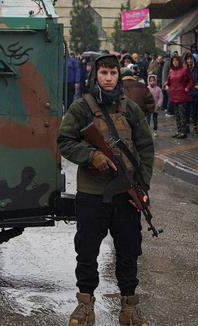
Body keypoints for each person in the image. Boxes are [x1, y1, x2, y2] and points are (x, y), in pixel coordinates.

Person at [58, 53, 154, 326]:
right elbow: (64, 141)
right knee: (87, 249)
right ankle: (85, 306)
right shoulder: (81, 108)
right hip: (92, 193)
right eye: (104, 74)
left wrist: (142, 187)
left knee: (128, 249)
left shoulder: (130, 109)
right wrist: (92, 156)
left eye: (113, 73)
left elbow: (146, 149)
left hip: (125, 192)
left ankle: (129, 308)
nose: (109, 79)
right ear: (95, 76)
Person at [165, 54, 193, 139]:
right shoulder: (171, 71)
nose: (175, 62)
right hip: (174, 95)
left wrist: (187, 88)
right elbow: (168, 81)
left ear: (179, 61)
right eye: (173, 61)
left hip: (182, 95)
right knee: (176, 114)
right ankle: (179, 130)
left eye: (176, 60)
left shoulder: (184, 70)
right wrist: (166, 85)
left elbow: (191, 80)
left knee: (182, 114)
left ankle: (183, 132)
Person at [184, 56, 198, 134]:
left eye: (191, 59)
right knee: (187, 111)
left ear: (193, 60)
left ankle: (195, 126)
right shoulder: (185, 70)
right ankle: (187, 126)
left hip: (195, 94)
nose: (189, 60)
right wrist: (191, 86)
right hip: (187, 93)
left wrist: (195, 86)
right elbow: (184, 81)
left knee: (195, 111)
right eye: (188, 59)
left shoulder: (197, 69)